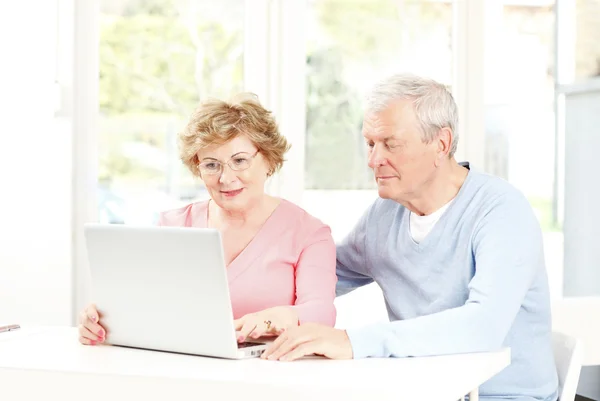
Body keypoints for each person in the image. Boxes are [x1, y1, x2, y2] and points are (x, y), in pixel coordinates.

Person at [262, 74, 559, 401]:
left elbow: (482, 328)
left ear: (441, 144)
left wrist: (351, 342)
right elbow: (317, 275)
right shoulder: (384, 215)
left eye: (391, 144)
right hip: (424, 391)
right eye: (371, 143)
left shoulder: (501, 212)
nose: (374, 160)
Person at [78, 93, 337, 346]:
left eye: (240, 161)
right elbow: (145, 307)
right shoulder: (174, 226)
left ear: (269, 159)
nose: (225, 178)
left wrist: (277, 318)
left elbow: (322, 314)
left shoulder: (309, 234)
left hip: (271, 374)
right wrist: (104, 320)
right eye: (211, 165)